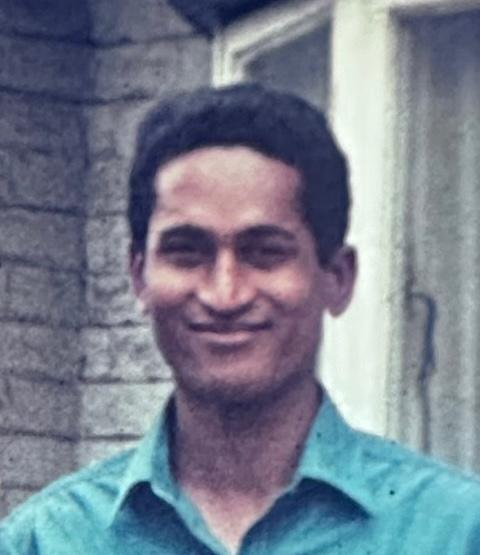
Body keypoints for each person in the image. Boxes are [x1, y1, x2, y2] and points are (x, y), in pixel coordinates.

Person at [1, 84, 480, 554]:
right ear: (138, 275)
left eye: (265, 252)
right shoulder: (46, 541)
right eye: (187, 252)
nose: (224, 294)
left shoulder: (455, 533)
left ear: (337, 276)